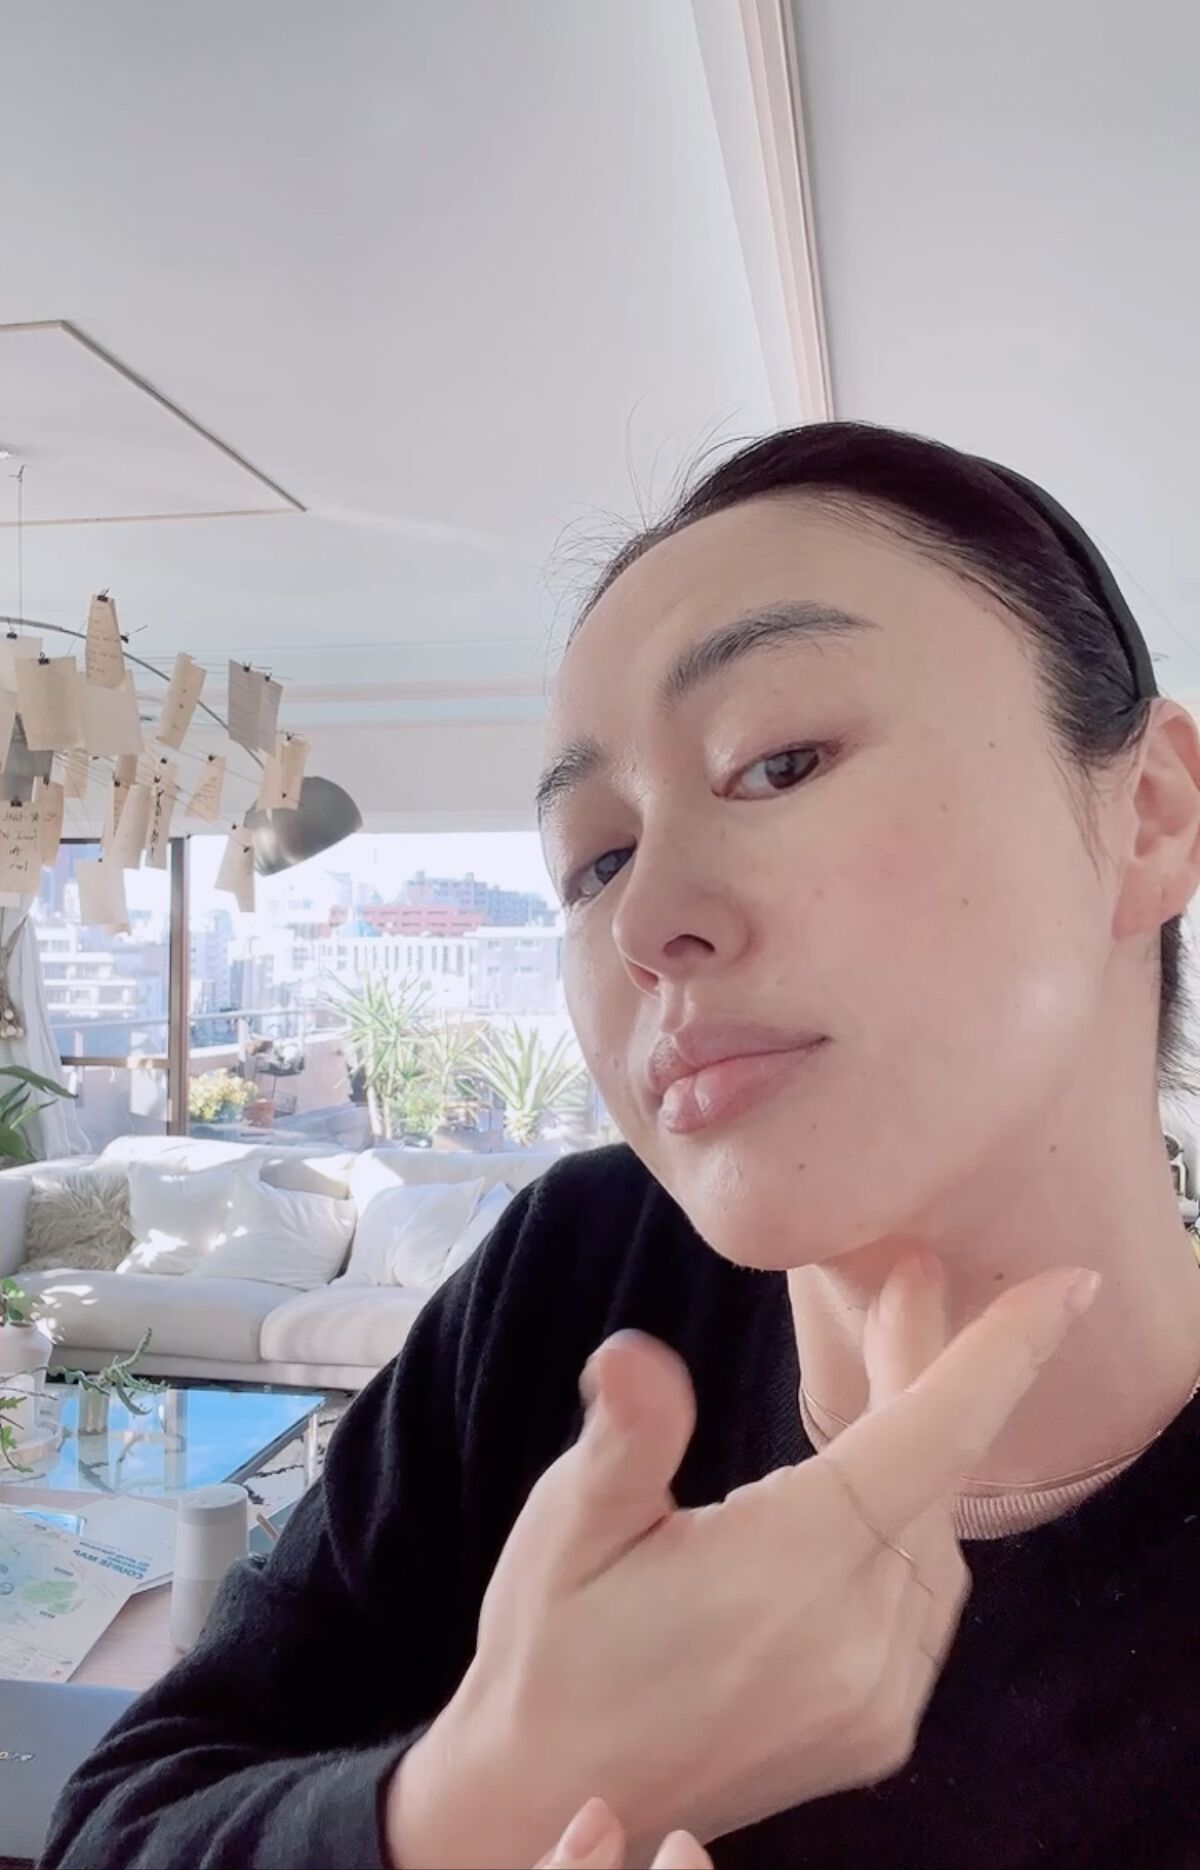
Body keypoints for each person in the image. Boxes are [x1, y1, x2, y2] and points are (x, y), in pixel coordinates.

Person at [42, 423, 1200, 1870]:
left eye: (779, 762)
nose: (645, 921)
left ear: (1148, 814)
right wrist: (488, 1793)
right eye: (593, 862)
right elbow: (116, 1824)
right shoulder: (577, 1277)